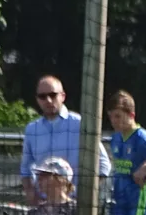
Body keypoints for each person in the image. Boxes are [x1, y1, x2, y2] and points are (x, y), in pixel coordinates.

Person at [21, 75, 109, 207]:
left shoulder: (80, 124)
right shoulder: (32, 129)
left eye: (53, 95)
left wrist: (83, 197)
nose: (48, 100)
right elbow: (25, 169)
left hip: (77, 207)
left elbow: (103, 166)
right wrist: (31, 194)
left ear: (63, 96)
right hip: (43, 207)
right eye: (42, 96)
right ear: (37, 99)